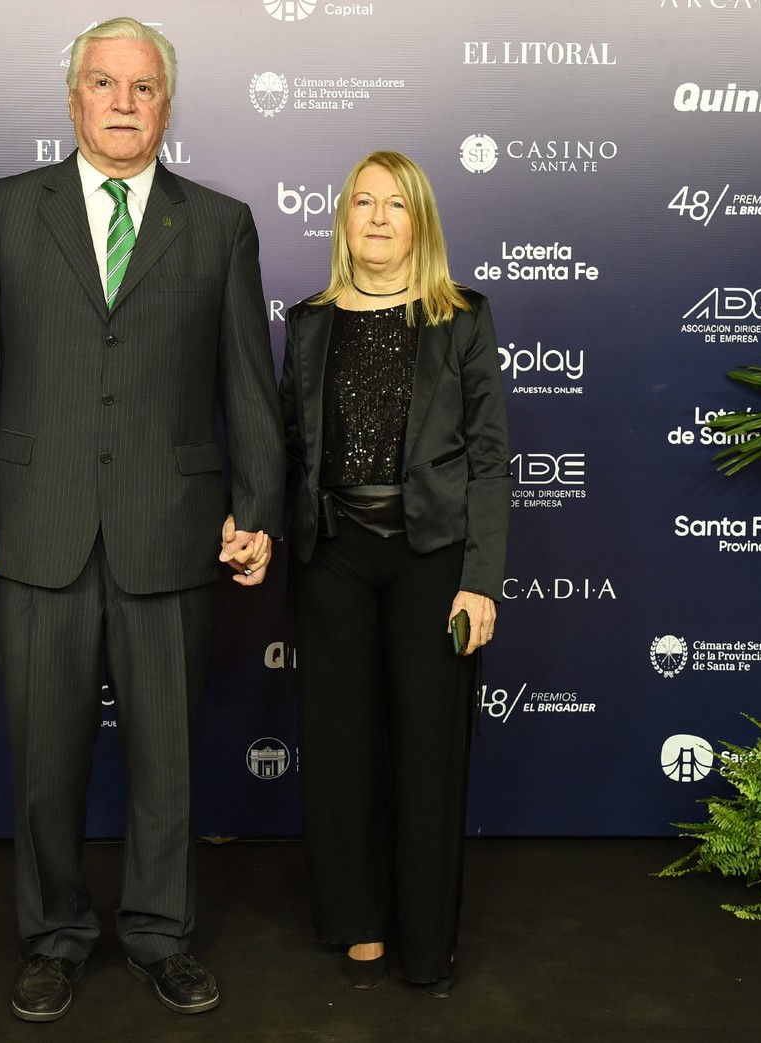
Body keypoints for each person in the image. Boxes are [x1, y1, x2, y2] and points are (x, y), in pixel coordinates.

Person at [0, 17, 283, 1023]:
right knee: (44, 763)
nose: (122, 103)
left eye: (141, 88)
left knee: (167, 761)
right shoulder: (3, 210)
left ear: (166, 103)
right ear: (71, 98)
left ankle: (161, 937)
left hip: (170, 530)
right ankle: (52, 937)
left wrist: (255, 507)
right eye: (102, 84)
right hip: (37, 531)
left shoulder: (218, 223)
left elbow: (247, 387)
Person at [278, 150, 510, 997]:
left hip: (432, 562)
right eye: (361, 202)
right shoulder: (308, 321)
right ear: (342, 218)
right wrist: (256, 530)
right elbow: (290, 450)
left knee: (427, 751)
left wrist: (479, 579)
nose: (376, 218)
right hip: (333, 555)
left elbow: (490, 459)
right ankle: (358, 922)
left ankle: (425, 940)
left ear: (420, 222)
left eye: (394, 205)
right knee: (339, 751)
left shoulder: (461, 317)